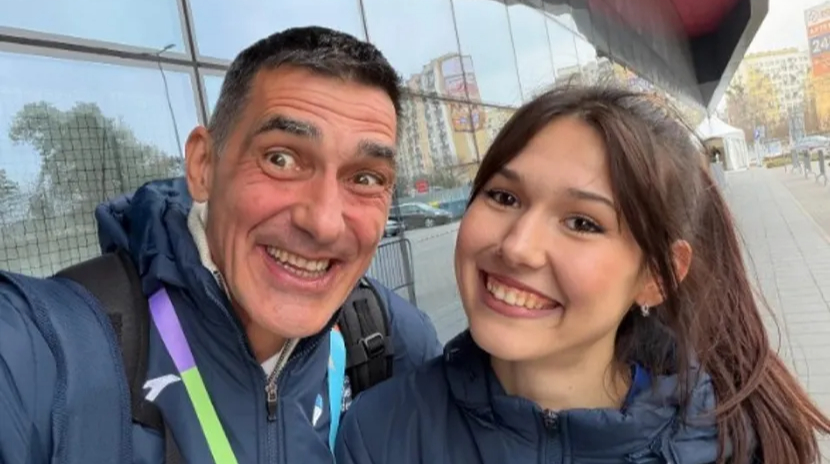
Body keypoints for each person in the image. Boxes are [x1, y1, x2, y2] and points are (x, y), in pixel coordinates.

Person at [0, 26, 441, 463]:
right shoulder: (52, 347)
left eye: (365, 178)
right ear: (204, 166)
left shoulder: (388, 337)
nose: (324, 224)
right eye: (281, 159)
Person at [335, 86, 830, 464]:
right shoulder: (380, 435)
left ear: (657, 278)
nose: (517, 246)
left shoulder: (729, 442)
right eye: (504, 197)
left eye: (582, 223)